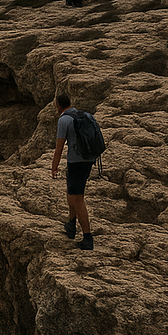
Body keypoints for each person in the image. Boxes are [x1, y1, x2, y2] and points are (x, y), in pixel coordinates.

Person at [50, 94, 95, 249]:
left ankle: (87, 237)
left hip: (76, 163)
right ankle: (71, 224)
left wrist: (54, 166)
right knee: (71, 192)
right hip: (88, 160)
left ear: (58, 105)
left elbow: (59, 147)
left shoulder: (64, 120)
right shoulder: (85, 115)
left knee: (78, 198)